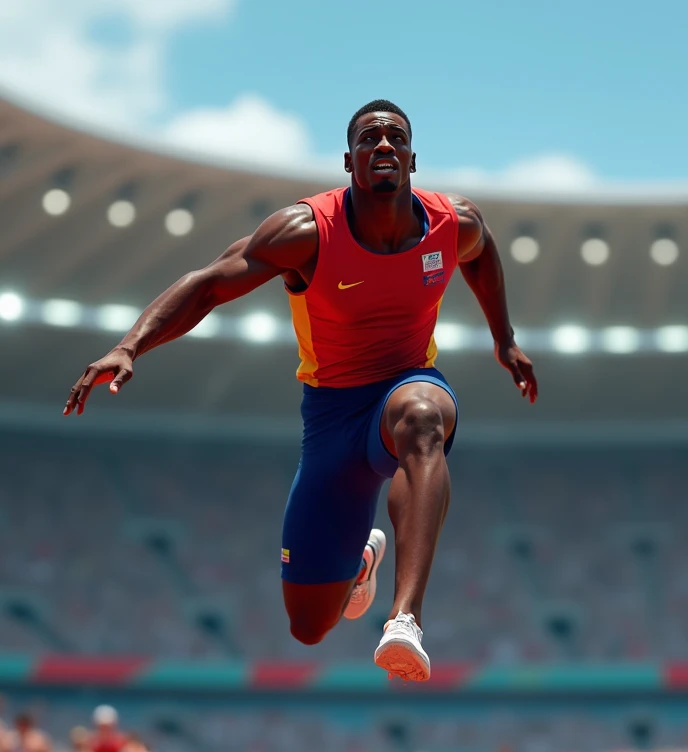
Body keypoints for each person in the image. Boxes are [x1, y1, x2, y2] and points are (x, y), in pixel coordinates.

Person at [64, 99, 538, 682]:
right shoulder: (307, 231)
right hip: (332, 417)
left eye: (395, 138)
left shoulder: (451, 222)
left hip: (407, 385)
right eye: (369, 139)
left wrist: (505, 339)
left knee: (422, 419)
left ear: (414, 158)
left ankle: (405, 618)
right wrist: (130, 345)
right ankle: (361, 558)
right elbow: (209, 284)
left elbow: (483, 251)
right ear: (349, 160)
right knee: (310, 625)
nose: (383, 146)